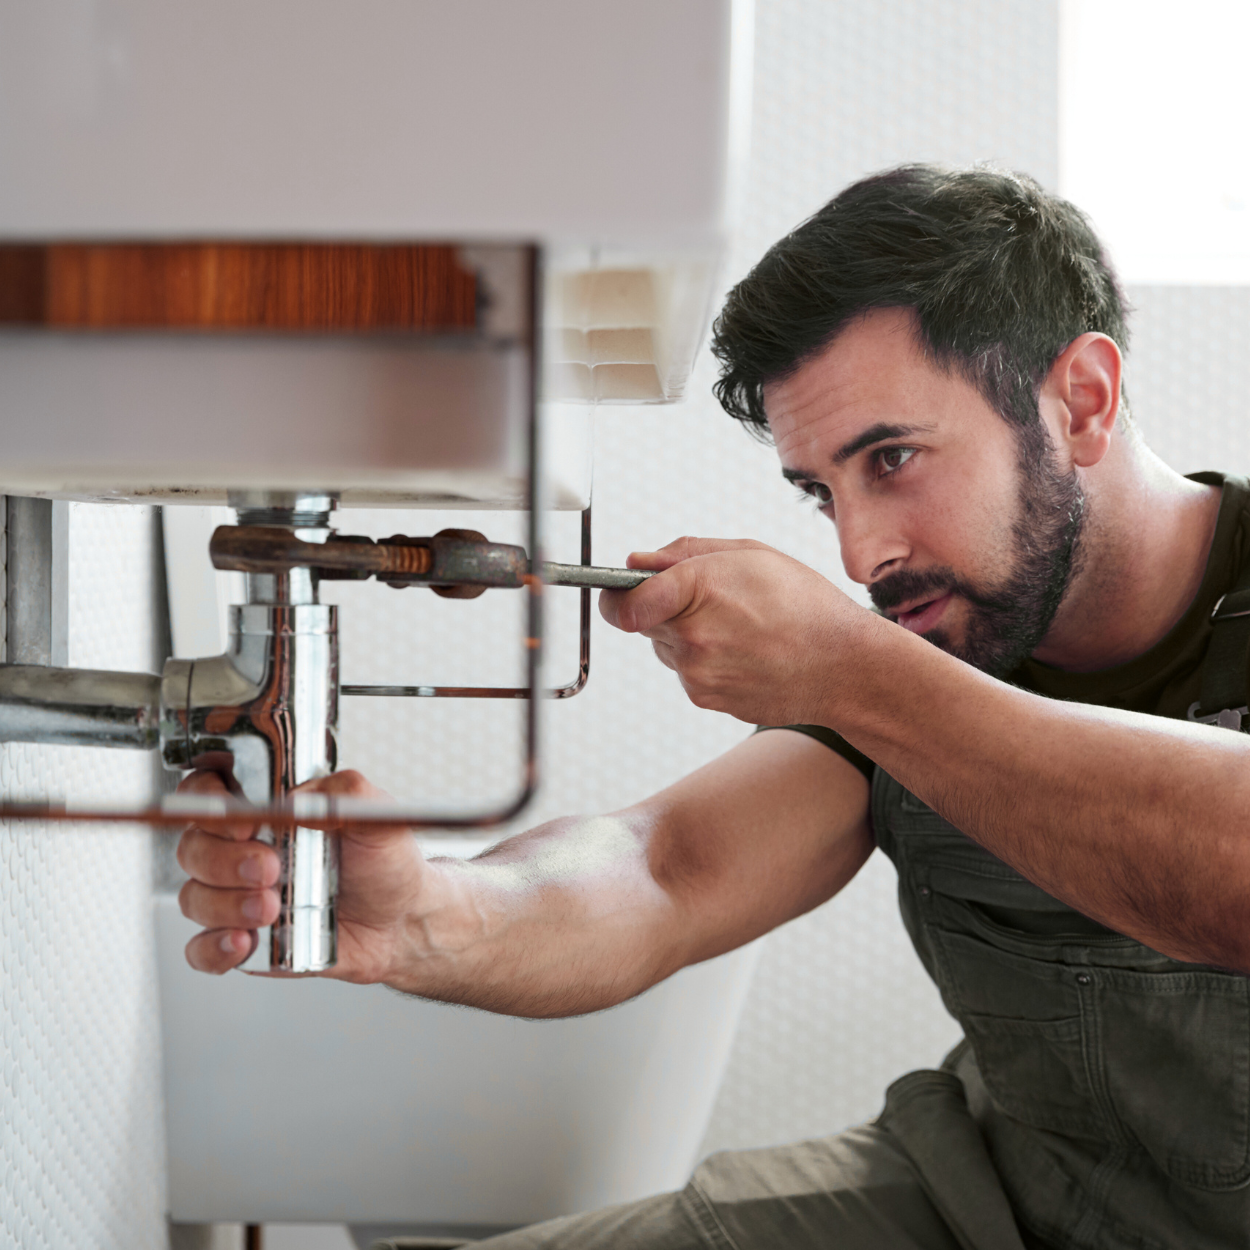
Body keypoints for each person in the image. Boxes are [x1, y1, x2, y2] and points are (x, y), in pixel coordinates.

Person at [174, 165, 1250, 1250]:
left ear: (1080, 400)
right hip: (977, 1198)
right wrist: (429, 913)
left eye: (892, 457)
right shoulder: (928, 648)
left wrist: (850, 665)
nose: (858, 550)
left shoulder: (888, 670)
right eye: (822, 491)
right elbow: (664, 865)